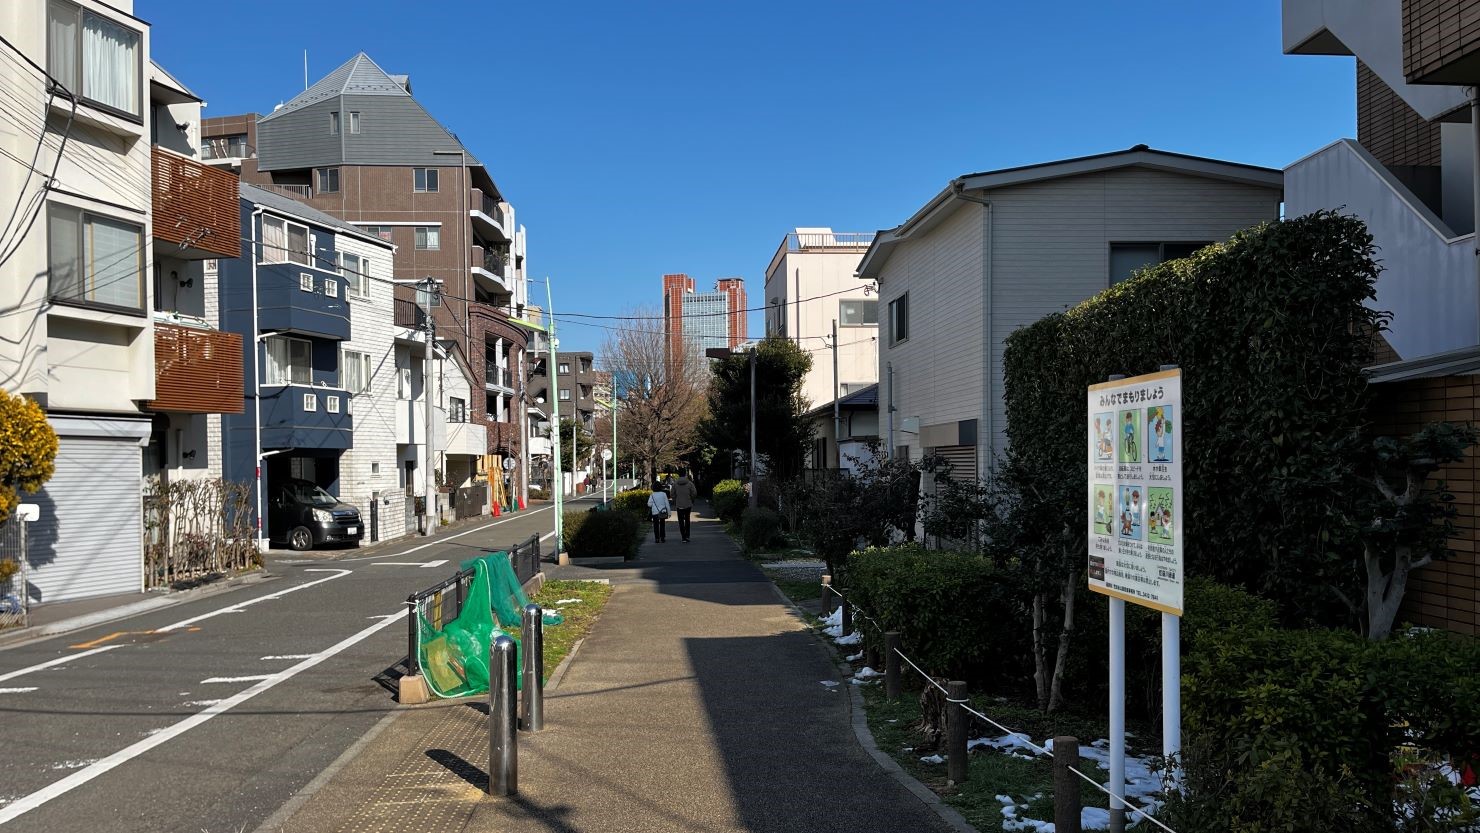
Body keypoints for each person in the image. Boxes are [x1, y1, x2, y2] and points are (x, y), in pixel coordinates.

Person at [671, 469, 699, 542]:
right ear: (685, 474)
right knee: (687, 519)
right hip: (688, 504)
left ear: (678, 474)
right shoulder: (690, 483)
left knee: (680, 521)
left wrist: (675, 500)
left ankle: (683, 537)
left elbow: (672, 494)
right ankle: (687, 536)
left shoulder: (675, 484)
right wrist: (691, 499)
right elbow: (694, 493)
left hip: (679, 504)